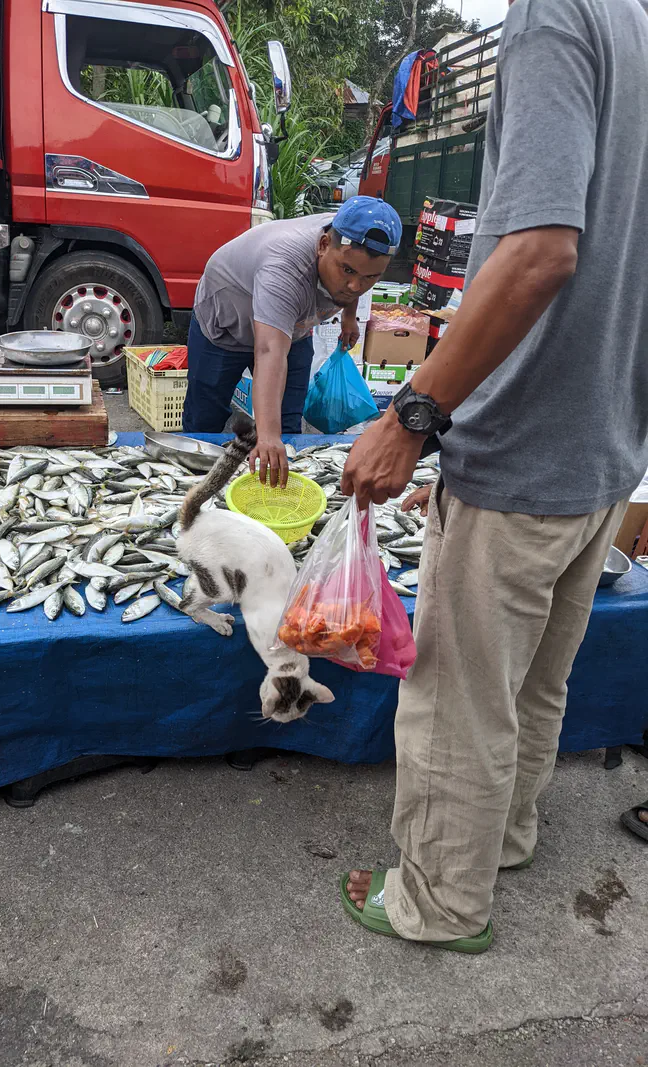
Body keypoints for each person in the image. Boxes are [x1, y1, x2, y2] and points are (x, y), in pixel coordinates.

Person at [339, 0, 648, 953]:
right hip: (603, 448)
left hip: (523, 450)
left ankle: (439, 900)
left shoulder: (557, 15)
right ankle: (503, 837)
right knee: (532, 681)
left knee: (459, 699)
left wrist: (414, 413)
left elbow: (540, 251)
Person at [182, 197, 402, 487]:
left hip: (293, 327)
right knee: (205, 419)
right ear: (323, 245)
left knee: (286, 427)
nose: (355, 286)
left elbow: (357, 273)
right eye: (346, 271)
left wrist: (350, 315)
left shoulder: (353, 231)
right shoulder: (285, 268)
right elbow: (269, 351)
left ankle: (274, 493)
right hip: (225, 325)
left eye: (370, 278)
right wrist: (267, 436)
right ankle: (194, 489)